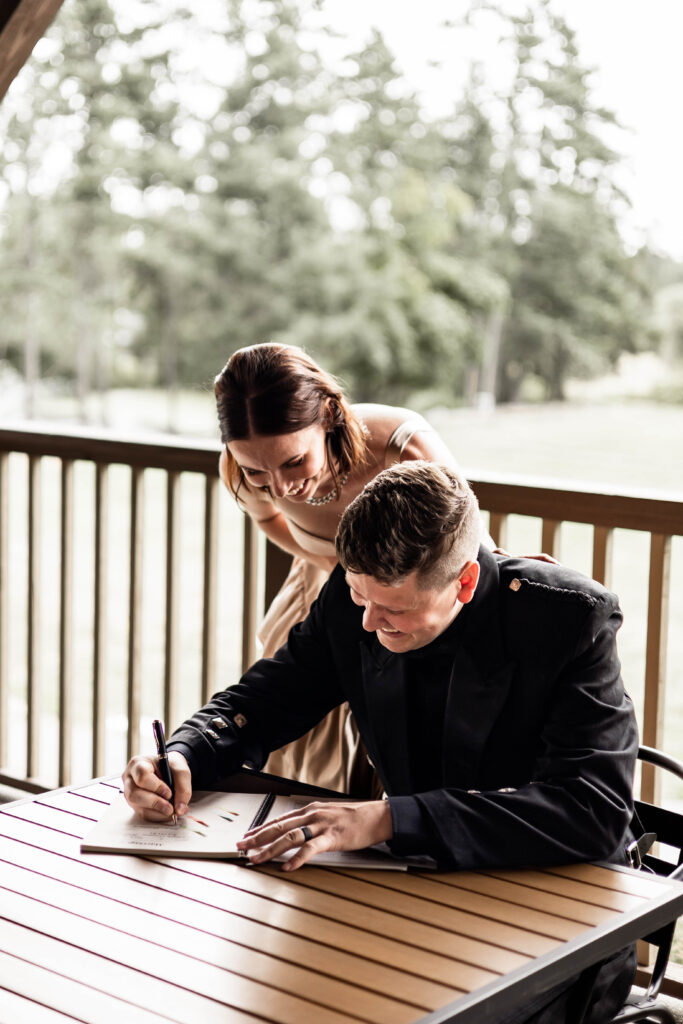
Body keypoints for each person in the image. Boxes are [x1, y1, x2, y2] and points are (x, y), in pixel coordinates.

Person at [123, 460, 639, 1024]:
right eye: (358, 598)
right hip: (416, 892)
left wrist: (388, 819)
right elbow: (267, 698)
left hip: (560, 912)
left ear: (464, 583)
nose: (367, 623)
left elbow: (592, 812)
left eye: (393, 610)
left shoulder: (567, 620)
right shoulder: (356, 601)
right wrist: (184, 753)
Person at [214, 342, 467, 796]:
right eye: (258, 473)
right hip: (316, 591)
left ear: (329, 414)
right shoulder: (239, 466)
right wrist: (327, 563)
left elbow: (460, 539)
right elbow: (267, 517)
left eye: (294, 461)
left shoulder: (401, 448)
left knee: (396, 736)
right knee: (300, 747)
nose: (283, 486)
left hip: (400, 602)